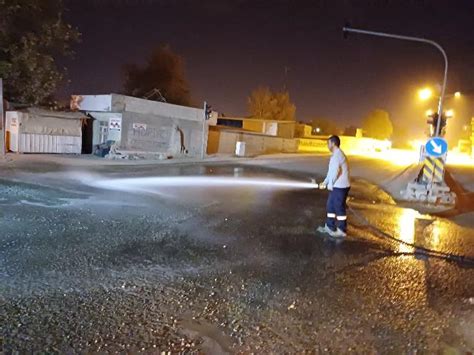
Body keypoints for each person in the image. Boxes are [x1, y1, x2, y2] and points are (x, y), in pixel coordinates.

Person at [317, 135, 351, 238]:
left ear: (333, 143)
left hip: (340, 186)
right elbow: (331, 172)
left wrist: (330, 184)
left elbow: (337, 171)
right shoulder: (335, 155)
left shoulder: (338, 155)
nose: (327, 145)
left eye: (328, 143)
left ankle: (341, 230)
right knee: (330, 206)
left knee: (339, 208)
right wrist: (325, 182)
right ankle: (330, 226)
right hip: (337, 185)